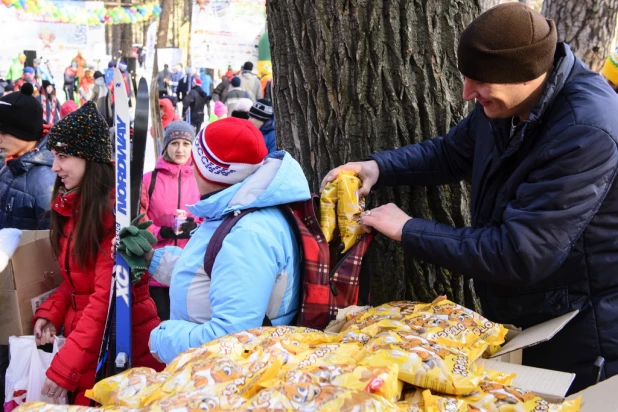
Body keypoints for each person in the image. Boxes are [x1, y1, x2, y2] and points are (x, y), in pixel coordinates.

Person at [322, 2, 618, 394]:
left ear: (525, 74)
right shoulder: (506, 103)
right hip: (525, 316)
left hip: (580, 331)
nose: (465, 93)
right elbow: (451, 153)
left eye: (478, 81)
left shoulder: (585, 130)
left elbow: (519, 253)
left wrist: (409, 230)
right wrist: (380, 168)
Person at [119, 117, 310, 363]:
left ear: (206, 170)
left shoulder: (249, 234)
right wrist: (151, 257)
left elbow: (232, 339)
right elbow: (212, 270)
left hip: (228, 382)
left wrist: (161, 337)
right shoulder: (234, 208)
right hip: (215, 377)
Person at [32, 102, 163, 405]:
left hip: (118, 343)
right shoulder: (75, 207)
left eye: (63, 157)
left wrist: (65, 369)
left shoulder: (113, 217)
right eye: (54, 156)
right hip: (88, 341)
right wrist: (51, 313)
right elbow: (78, 282)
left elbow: (105, 302)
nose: (54, 167)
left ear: (90, 161)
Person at [140, 121, 200, 321]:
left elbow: (210, 219)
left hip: (189, 269)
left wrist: (195, 228)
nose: (180, 149)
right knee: (159, 325)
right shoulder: (150, 180)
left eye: (185, 143)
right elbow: (139, 218)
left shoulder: (200, 179)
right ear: (166, 146)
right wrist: (159, 232)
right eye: (175, 143)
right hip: (156, 268)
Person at [0, 83, 55, 229]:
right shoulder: (10, 164)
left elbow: (51, 244)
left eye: (4, 132)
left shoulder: (47, 183)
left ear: (24, 131)